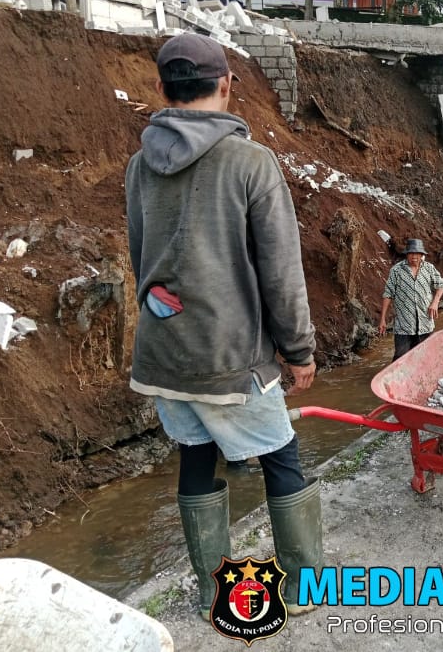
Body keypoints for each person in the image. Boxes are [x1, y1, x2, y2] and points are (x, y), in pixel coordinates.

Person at [125, 33, 321, 620]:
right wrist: (299, 350)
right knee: (281, 457)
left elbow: (141, 258)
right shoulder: (251, 163)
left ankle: (214, 590)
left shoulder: (139, 166)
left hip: (163, 351)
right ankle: (301, 589)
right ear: (227, 86)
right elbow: (281, 272)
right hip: (232, 357)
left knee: (196, 456)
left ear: (160, 88)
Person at [379, 238, 443, 361]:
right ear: (407, 254)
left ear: (421, 255)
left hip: (425, 323)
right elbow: (388, 294)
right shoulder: (396, 270)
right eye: (411, 253)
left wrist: (435, 302)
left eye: (417, 253)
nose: (414, 256)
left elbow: (440, 285)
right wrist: (382, 319)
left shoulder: (429, 268)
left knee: (425, 358)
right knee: (400, 359)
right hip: (404, 326)